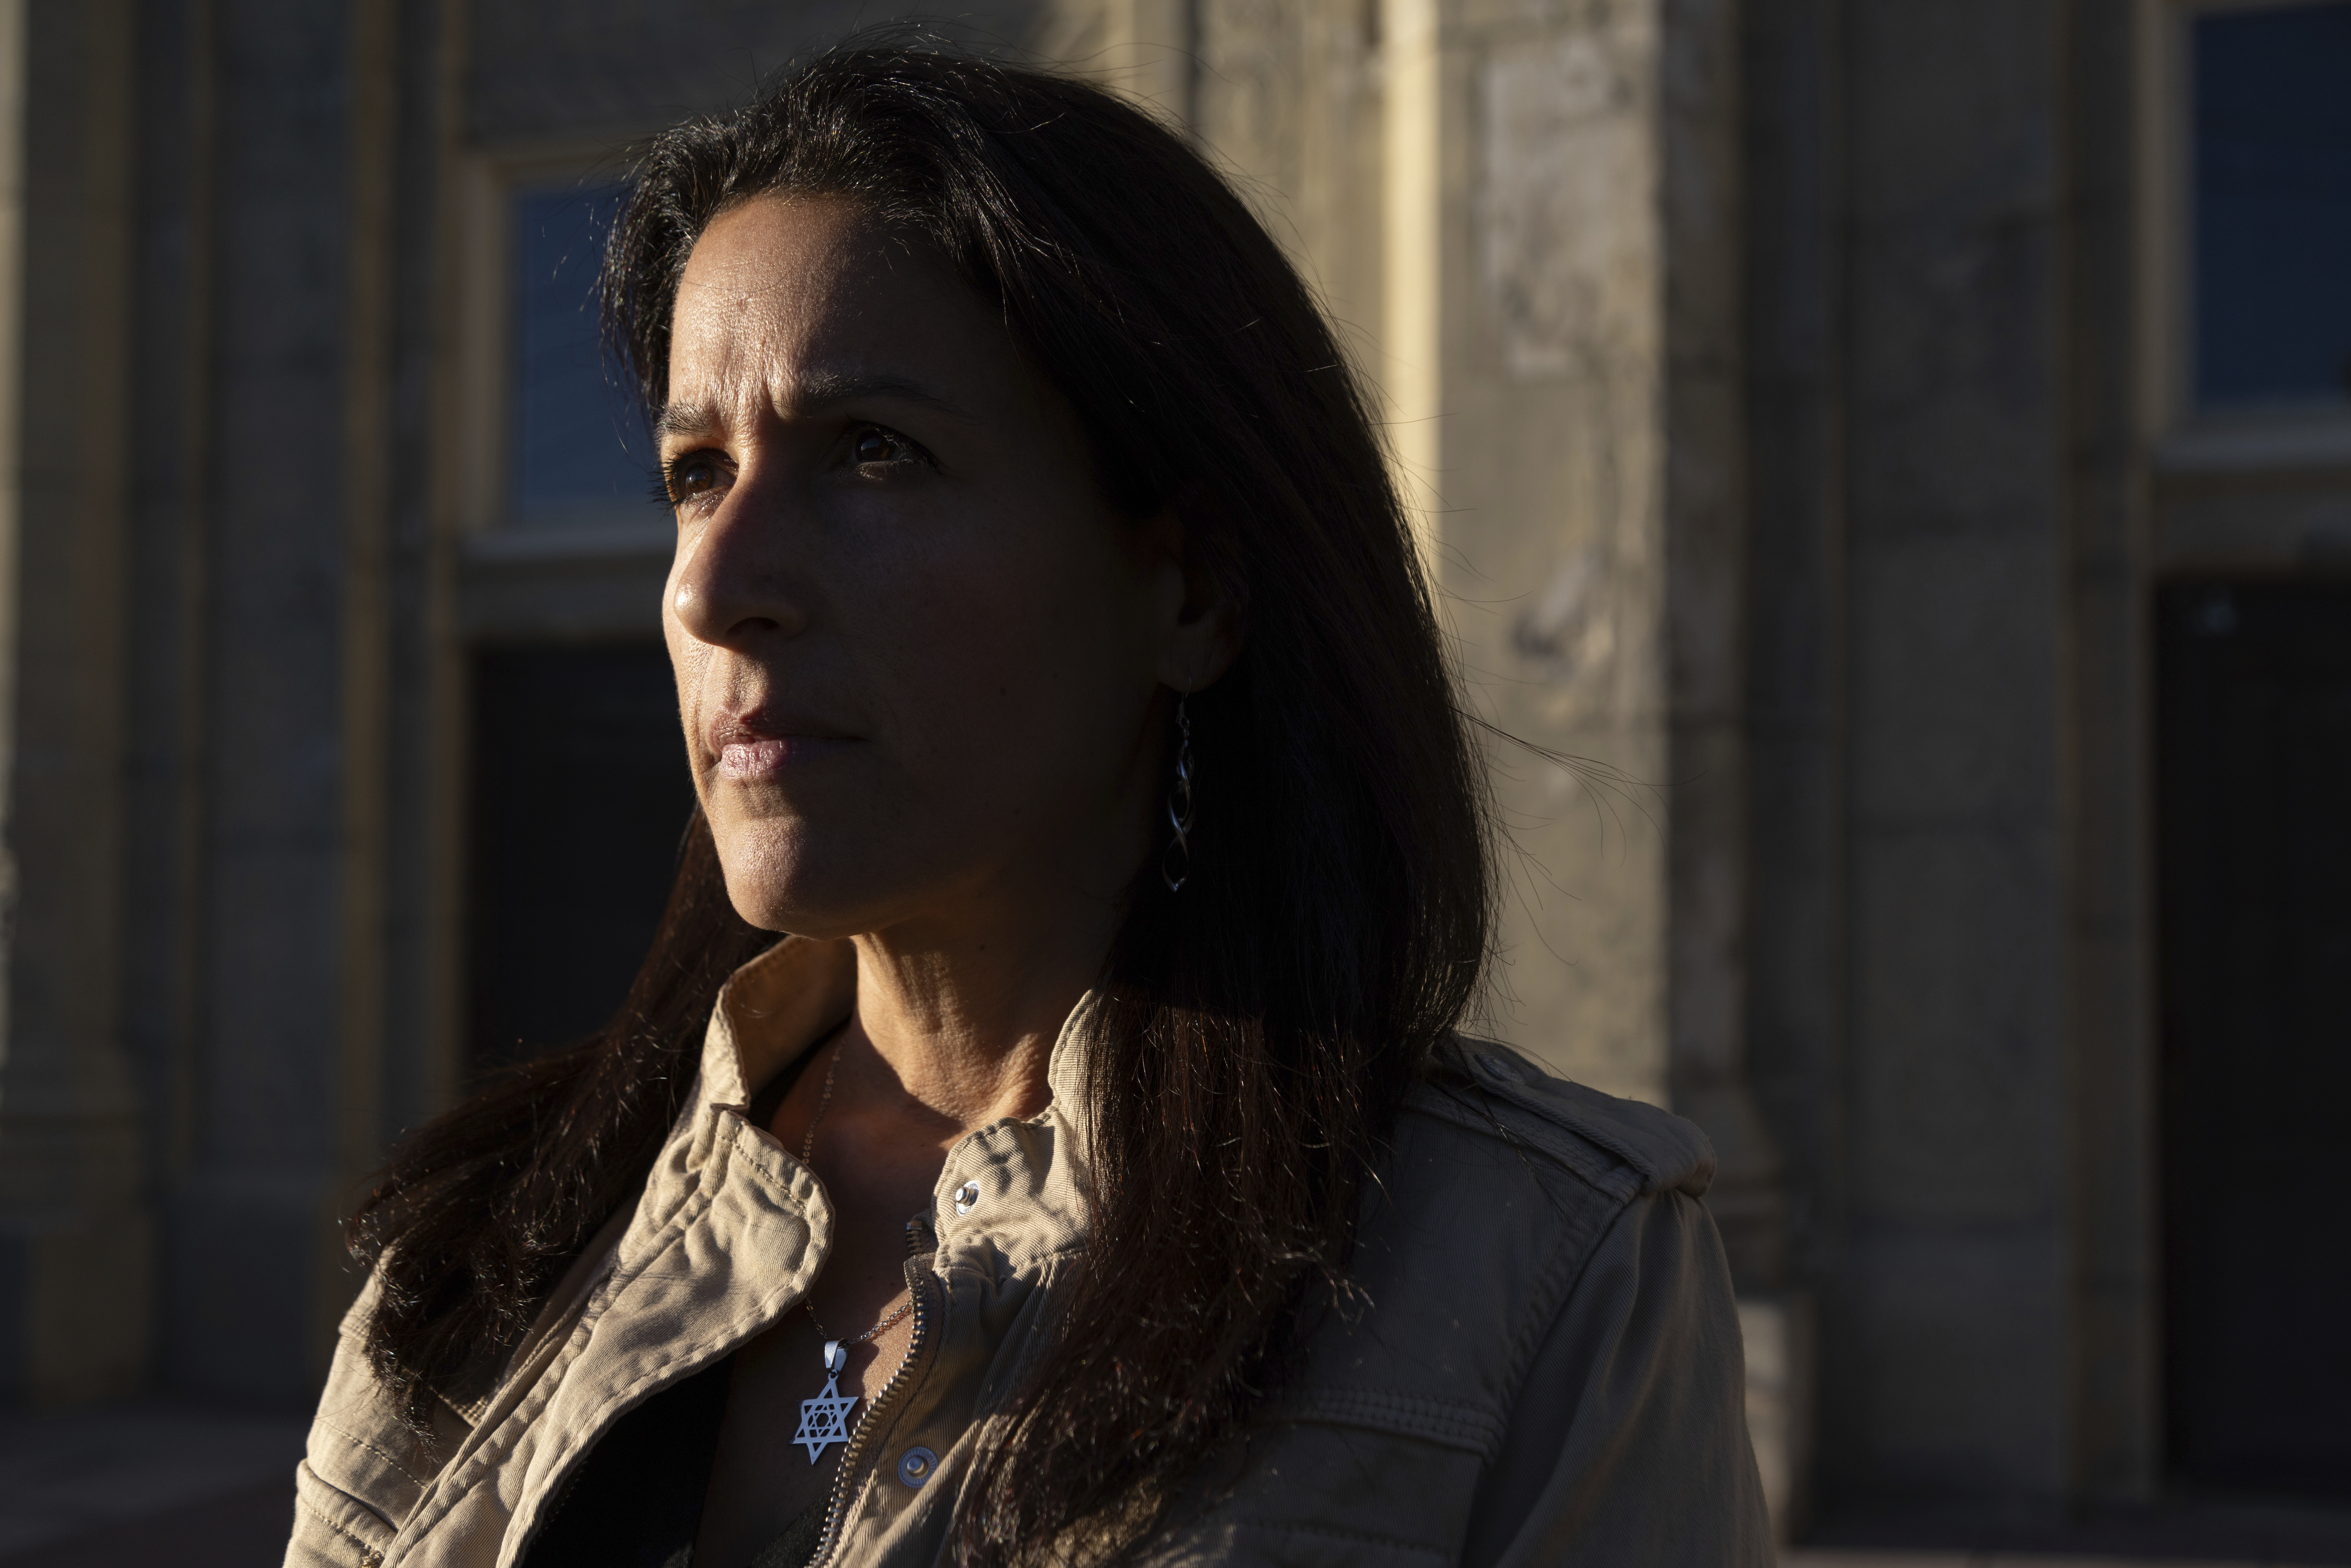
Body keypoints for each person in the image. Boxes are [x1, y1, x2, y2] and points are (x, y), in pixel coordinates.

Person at [285, 42, 1771, 1568]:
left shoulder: (1540, 1277)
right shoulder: (485, 1252)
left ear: (1187, 584)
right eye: (694, 472)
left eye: (874, 453)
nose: (715, 585)